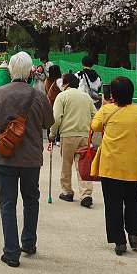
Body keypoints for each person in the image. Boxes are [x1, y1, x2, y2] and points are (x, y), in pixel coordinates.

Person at [0, 51, 54, 268]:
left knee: (7, 203)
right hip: (31, 158)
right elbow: (48, 122)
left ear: (10, 69)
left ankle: (11, 252)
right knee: (31, 200)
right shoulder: (39, 96)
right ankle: (28, 242)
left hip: (5, 156)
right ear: (31, 70)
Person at [91, 76, 137, 256]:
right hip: (135, 167)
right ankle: (133, 233)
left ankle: (119, 241)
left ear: (113, 95)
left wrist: (104, 105)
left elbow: (94, 126)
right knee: (134, 201)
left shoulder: (107, 110)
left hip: (111, 166)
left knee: (113, 204)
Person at [48, 74, 96, 208]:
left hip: (67, 135)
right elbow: (96, 115)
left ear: (66, 83)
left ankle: (67, 191)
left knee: (66, 164)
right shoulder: (86, 97)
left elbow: (56, 118)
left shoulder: (62, 97)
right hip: (84, 136)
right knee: (83, 165)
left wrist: (52, 134)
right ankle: (86, 194)